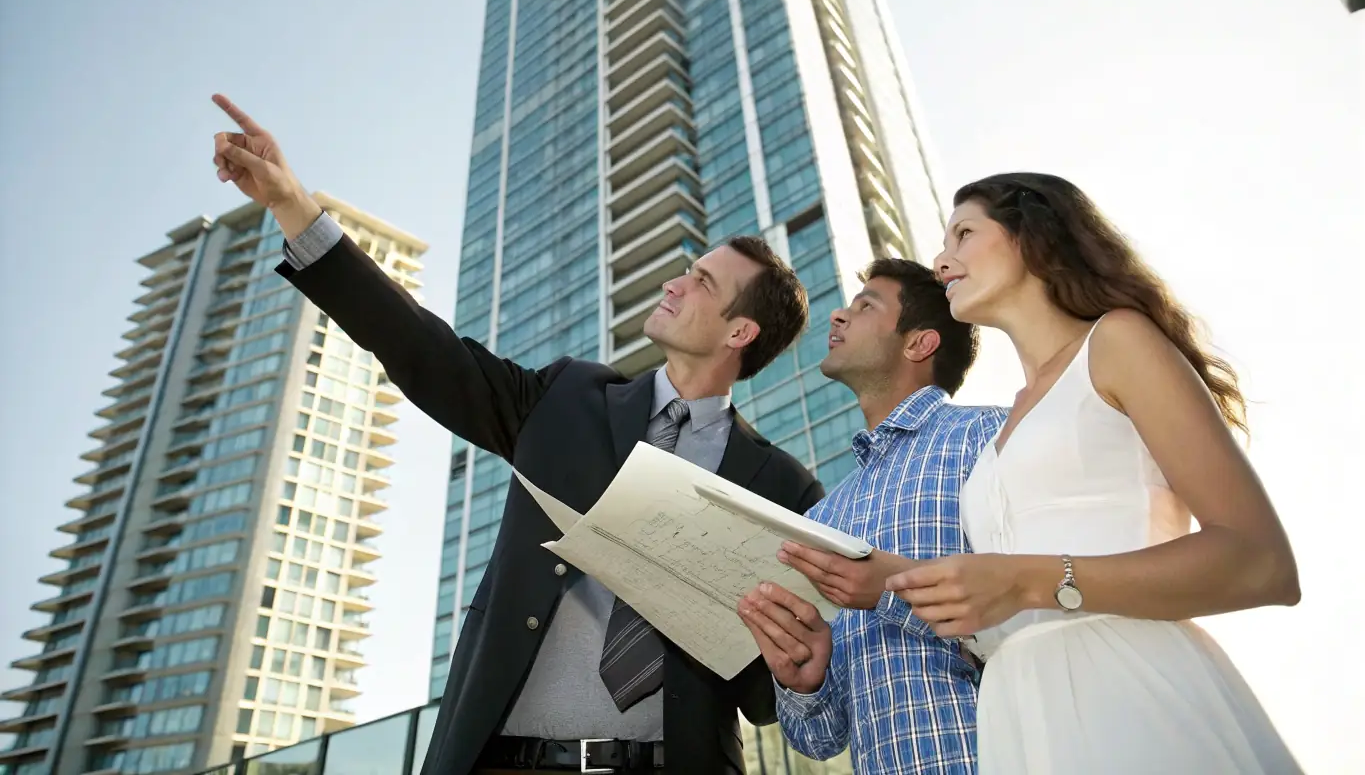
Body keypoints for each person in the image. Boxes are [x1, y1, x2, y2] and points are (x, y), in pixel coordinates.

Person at [210, 94, 825, 775]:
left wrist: (795, 669)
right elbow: (420, 348)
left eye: (702, 282)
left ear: (740, 333)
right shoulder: (566, 398)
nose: (674, 284)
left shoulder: (782, 488)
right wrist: (292, 204)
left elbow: (763, 693)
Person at [886, 172, 1302, 774]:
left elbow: (1262, 563)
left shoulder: (1118, 343)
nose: (940, 259)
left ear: (1032, 236)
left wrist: (1026, 581)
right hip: (1021, 720)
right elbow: (1013, 598)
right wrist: (903, 586)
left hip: (1133, 695)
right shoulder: (1001, 430)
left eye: (964, 233)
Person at [735, 258, 1006, 773]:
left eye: (865, 307)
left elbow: (1048, 610)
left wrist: (893, 591)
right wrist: (805, 682)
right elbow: (820, 740)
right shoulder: (824, 515)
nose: (837, 315)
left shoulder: (990, 437)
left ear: (919, 344)